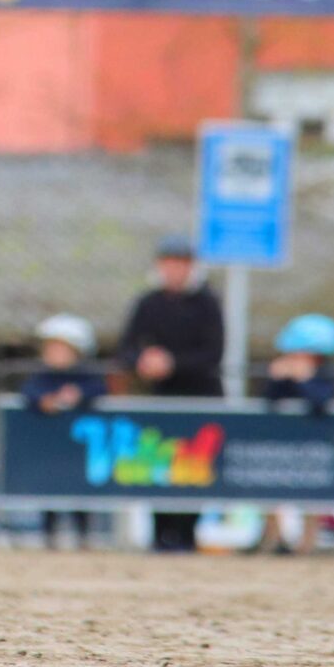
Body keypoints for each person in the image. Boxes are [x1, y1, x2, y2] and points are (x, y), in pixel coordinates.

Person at [118, 236, 224, 552]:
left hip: (199, 398)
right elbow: (126, 348)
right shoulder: (148, 303)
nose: (174, 270)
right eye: (169, 263)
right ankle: (160, 532)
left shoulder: (208, 304)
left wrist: (172, 363)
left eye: (180, 264)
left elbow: (213, 353)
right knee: (159, 465)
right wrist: (143, 360)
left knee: (193, 466)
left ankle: (188, 533)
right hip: (159, 398)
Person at [255, 313, 334, 554]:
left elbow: (321, 401)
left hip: (313, 445)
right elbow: (269, 401)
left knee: (313, 495)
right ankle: (273, 540)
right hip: (280, 444)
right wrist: (276, 379)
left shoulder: (325, 372)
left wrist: (304, 379)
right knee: (267, 488)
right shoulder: (282, 367)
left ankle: (307, 543)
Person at [24, 314, 106, 549]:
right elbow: (29, 391)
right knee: (49, 494)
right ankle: (49, 535)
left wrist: (78, 395)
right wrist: (43, 400)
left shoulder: (86, 377)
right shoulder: (42, 376)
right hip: (50, 450)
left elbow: (99, 389)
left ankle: (84, 535)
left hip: (79, 451)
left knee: (80, 495)